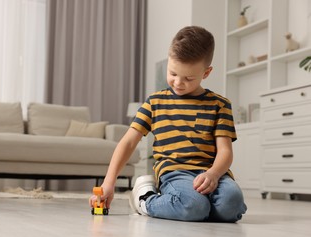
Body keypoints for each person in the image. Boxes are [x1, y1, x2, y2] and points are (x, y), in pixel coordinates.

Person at [89, 26, 247, 222]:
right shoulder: (155, 103)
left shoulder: (219, 105)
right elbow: (128, 142)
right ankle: (145, 200)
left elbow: (225, 151)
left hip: (213, 173)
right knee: (194, 206)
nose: (178, 83)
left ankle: (194, 209)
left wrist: (213, 174)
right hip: (175, 172)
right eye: (173, 73)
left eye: (189, 78)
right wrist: (108, 182)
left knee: (232, 205)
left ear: (206, 73)